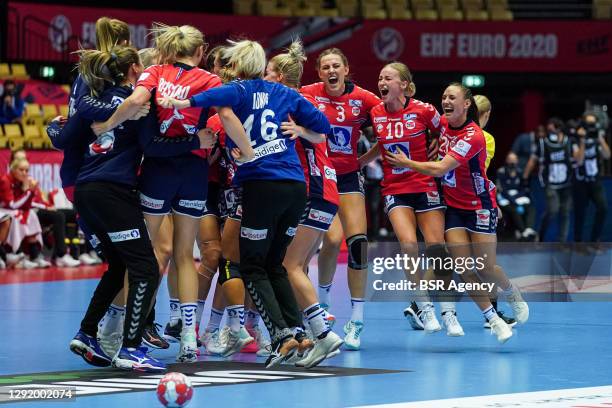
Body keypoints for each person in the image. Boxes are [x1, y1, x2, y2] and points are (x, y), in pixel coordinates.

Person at [158, 39, 331, 367]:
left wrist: (178, 102)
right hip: (295, 188)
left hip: (260, 187)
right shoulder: (287, 95)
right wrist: (301, 129)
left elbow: (210, 98)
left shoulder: (239, 92)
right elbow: (323, 127)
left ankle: (273, 334)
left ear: (239, 66)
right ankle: (298, 333)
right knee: (274, 265)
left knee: (248, 265)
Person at [91, 24, 251, 363]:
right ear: (200, 51)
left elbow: (135, 100)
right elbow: (227, 116)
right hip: (192, 174)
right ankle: (190, 339)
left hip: (158, 172)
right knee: (183, 256)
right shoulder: (210, 79)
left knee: (141, 255)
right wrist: (248, 152)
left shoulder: (154, 71)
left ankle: (115, 326)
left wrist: (107, 125)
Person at [54, 45, 213, 372]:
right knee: (144, 267)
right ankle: (130, 347)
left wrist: (56, 127)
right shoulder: (139, 105)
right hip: (113, 191)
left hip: (85, 192)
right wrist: (197, 142)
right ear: (134, 71)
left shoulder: (96, 103)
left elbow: (65, 135)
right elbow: (153, 145)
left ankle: (87, 333)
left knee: (117, 265)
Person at [384, 82, 529, 343]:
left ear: (466, 104)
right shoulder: (443, 126)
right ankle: (494, 321)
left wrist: (408, 163)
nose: (446, 101)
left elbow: (441, 168)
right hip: (454, 207)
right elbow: (419, 125)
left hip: (480, 205)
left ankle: (511, 291)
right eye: (443, 97)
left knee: (485, 267)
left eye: (452, 97)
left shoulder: (474, 136)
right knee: (462, 267)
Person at [359, 62, 464, 336]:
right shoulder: (376, 112)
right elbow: (380, 145)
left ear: (403, 84)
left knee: (437, 247)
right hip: (395, 188)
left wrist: (438, 147)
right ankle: (424, 305)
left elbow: (448, 131)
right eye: (380, 77)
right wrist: (358, 162)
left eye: (388, 78)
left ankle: (449, 312)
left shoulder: (424, 110)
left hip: (424, 184)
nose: (381, 82)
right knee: (408, 245)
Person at [265, 40, 344, 367]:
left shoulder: (293, 99)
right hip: (323, 190)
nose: (264, 77)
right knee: (291, 264)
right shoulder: (304, 98)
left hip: (314, 189)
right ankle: (304, 332)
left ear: (281, 75)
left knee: (289, 266)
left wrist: (299, 130)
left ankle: (323, 335)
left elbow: (322, 135)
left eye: (268, 73)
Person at [300, 48, 381, 349]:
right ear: (319, 73)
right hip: (319, 175)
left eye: (336, 66)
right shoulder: (307, 93)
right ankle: (321, 305)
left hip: (347, 177)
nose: (331, 71)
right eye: (325, 67)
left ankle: (357, 319)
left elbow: (385, 133)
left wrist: (363, 160)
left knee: (358, 243)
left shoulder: (364, 98)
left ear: (346, 69)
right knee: (332, 240)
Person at [523, 118, 574, 242]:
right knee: (553, 210)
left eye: (553, 129)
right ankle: (540, 235)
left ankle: (561, 241)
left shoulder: (569, 141)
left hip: (566, 182)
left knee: (565, 212)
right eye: (549, 129)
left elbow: (577, 156)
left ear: (559, 128)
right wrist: (525, 177)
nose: (551, 131)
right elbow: (533, 160)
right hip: (550, 183)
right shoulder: (542, 143)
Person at [572, 113, 610, 250]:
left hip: (594, 180)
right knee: (580, 213)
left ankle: (594, 241)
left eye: (593, 124)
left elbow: (607, 155)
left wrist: (600, 138)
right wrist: (582, 140)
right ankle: (578, 244)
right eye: (589, 124)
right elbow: (579, 160)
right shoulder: (576, 138)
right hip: (580, 182)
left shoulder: (596, 138)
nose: (591, 127)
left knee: (603, 207)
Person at [0, 159, 44, 269]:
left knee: (30, 214)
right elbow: (12, 205)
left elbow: (25, 205)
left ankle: (33, 255)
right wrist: (29, 191)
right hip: (4, 209)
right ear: (13, 170)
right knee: (15, 215)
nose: (24, 173)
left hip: (8, 209)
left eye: (26, 170)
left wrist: (29, 190)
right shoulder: (5, 180)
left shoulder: (20, 181)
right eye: (21, 170)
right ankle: (13, 252)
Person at [497, 152, 537, 241]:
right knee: (513, 209)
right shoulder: (501, 172)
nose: (512, 162)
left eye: (514, 160)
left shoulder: (520, 171)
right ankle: (522, 231)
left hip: (517, 196)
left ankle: (529, 228)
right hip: (505, 198)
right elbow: (502, 190)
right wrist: (512, 200)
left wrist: (516, 197)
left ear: (517, 161)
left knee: (531, 207)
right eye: (510, 160)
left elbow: (523, 189)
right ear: (507, 160)